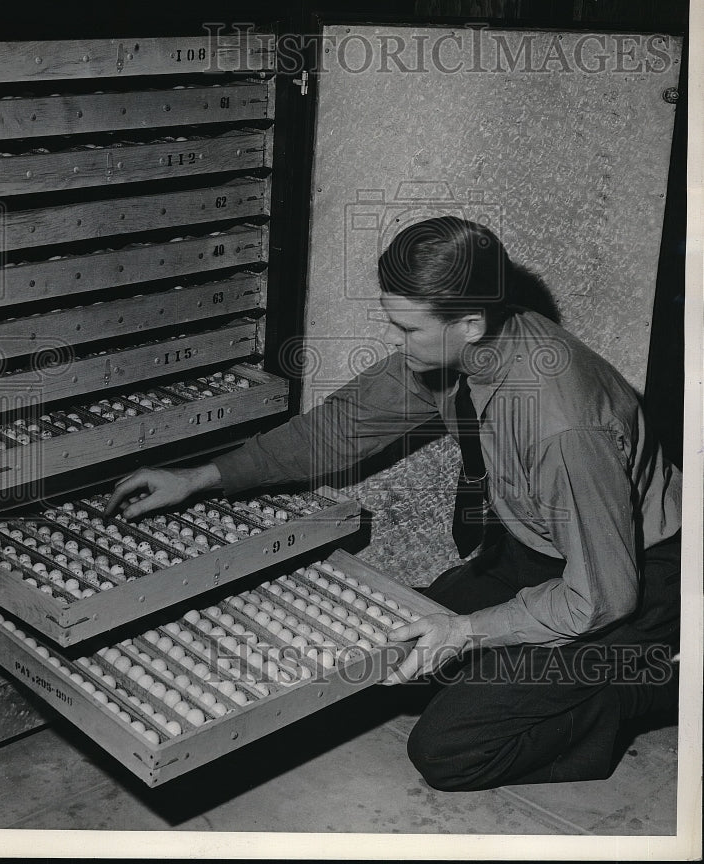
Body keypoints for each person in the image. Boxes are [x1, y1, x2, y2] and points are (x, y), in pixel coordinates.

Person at [106, 217, 682, 791]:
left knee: (450, 750)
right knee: (387, 650)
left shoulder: (563, 427)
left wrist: (466, 632)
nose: (396, 342)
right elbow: (338, 429)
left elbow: (599, 596)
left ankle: (651, 676)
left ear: (471, 323)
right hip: (538, 551)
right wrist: (202, 476)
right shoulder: (466, 352)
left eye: (407, 328)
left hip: (637, 578)